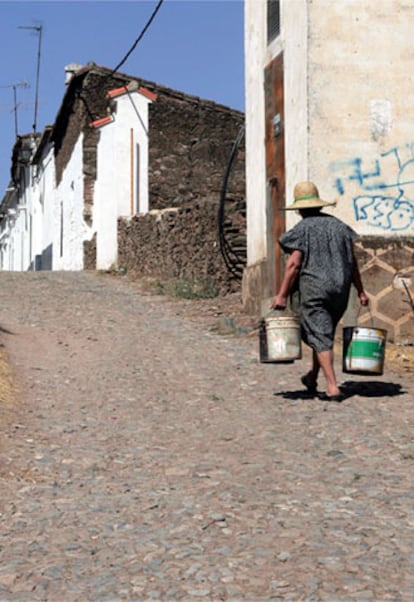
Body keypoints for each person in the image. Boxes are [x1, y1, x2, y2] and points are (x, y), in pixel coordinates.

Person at [271, 181, 369, 402]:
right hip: (340, 290)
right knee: (322, 332)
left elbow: (294, 264)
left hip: (316, 288)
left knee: (319, 334)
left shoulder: (302, 229)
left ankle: (333, 386)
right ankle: (312, 377)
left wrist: (282, 294)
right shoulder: (340, 227)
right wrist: (360, 291)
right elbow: (352, 263)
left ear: (299, 209)